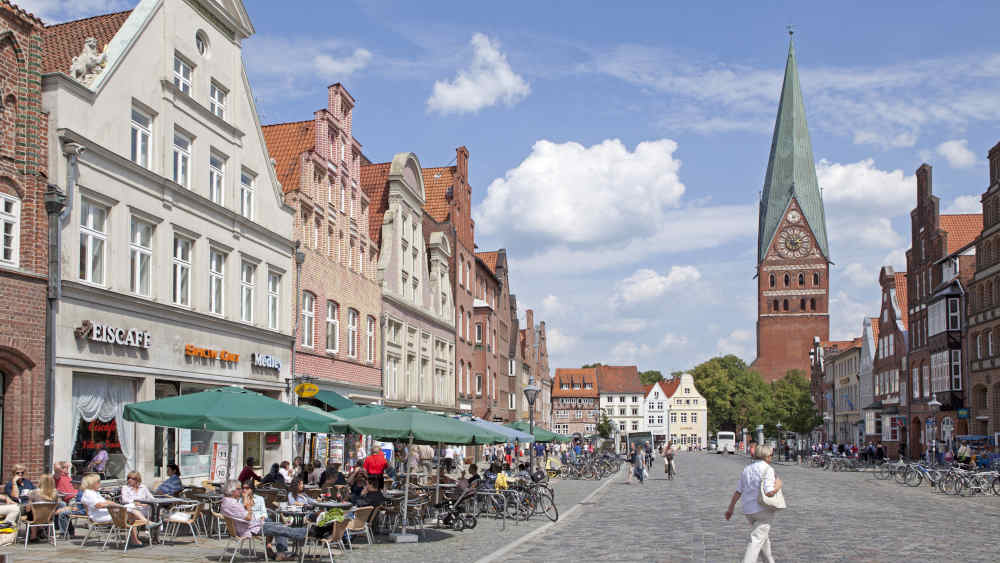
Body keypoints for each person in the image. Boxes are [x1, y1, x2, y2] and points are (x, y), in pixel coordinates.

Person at [220, 480, 305, 561]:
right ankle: (306, 533)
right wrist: (249, 507)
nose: (242, 490)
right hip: (251, 528)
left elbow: (260, 513)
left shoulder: (226, 501)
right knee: (281, 528)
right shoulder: (234, 503)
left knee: (280, 526)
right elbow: (248, 517)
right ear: (231, 490)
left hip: (252, 525)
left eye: (246, 488)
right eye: (239, 489)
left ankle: (299, 537)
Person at [724, 444, 783, 563]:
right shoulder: (768, 469)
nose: (771, 457)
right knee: (756, 540)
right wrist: (778, 486)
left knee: (763, 539)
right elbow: (769, 492)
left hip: (748, 511)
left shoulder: (747, 469)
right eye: (771, 455)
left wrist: (730, 508)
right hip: (763, 510)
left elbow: (738, 491)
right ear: (766, 456)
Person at [81, 473, 145, 546]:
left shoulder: (94, 493)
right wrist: (113, 505)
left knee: (131, 511)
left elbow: (106, 502)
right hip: (98, 516)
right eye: (98, 482)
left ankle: (135, 538)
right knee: (131, 512)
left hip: (104, 513)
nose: (100, 483)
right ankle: (145, 525)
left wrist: (117, 505)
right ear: (92, 484)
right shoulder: (88, 494)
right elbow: (99, 505)